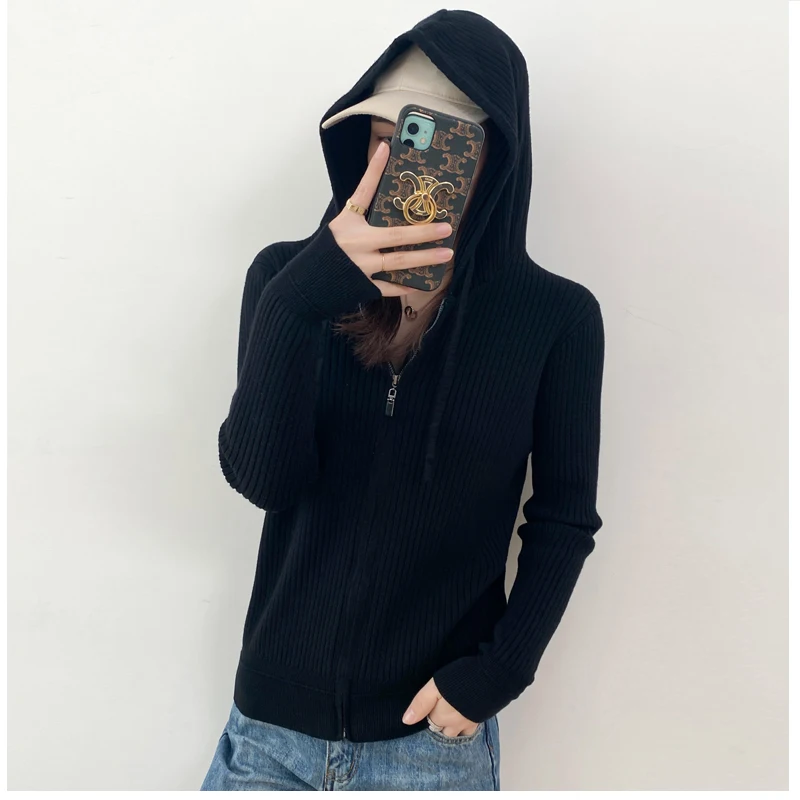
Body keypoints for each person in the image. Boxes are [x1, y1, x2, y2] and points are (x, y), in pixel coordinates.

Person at [201, 8, 605, 792]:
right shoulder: (284, 281)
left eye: (429, 143)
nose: (397, 167)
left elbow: (563, 518)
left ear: (492, 157)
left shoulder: (556, 318)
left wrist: (499, 672)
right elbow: (263, 480)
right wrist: (298, 301)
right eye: (381, 137)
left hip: (429, 750)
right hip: (268, 738)